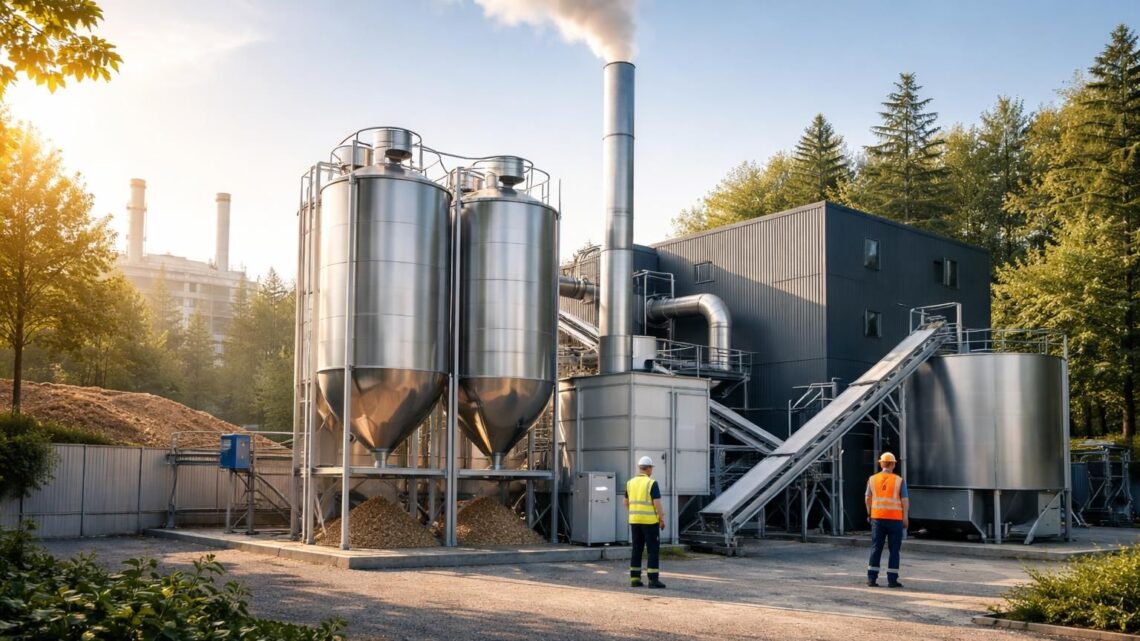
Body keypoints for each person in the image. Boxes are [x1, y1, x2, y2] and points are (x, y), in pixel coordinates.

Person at [865, 451, 909, 588]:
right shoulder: (899, 480)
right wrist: (905, 517)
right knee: (894, 550)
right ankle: (892, 580)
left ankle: (872, 579)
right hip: (895, 519)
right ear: (893, 465)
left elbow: (867, 498)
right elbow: (904, 500)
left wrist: (869, 513)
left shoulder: (872, 479)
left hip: (877, 518)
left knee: (876, 547)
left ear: (881, 464)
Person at [625, 455, 666, 589]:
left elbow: (626, 503)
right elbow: (657, 503)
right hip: (650, 522)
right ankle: (653, 580)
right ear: (648, 468)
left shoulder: (630, 483)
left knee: (637, 548)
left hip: (634, 521)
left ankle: (635, 579)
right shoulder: (651, 483)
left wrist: (635, 512)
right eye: (651, 468)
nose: (651, 471)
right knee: (652, 550)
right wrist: (661, 519)